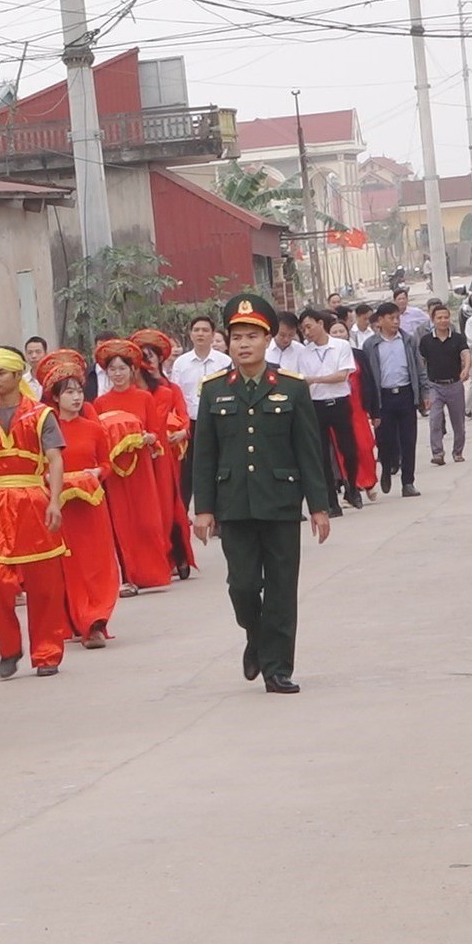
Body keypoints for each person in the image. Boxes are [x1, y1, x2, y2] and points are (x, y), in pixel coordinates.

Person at [192, 293, 331, 695]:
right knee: (244, 586)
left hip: (281, 503)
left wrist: (318, 506)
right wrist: (204, 509)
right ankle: (255, 634)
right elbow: (205, 455)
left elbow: (309, 452)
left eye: (252, 336)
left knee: (283, 589)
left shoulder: (291, 388)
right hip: (234, 503)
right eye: (236, 337)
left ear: (268, 339)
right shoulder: (214, 389)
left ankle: (277, 668)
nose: (243, 344)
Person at [0, 346, 71, 678]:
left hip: (32, 498)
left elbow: (55, 458)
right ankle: (9, 644)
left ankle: (47, 652)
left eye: (0, 373)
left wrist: (54, 500)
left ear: (16, 376)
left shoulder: (41, 414)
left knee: (44, 584)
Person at [41, 351, 121, 649]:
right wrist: (50, 480)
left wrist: (97, 471)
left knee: (98, 563)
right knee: (69, 566)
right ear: (55, 397)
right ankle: (80, 619)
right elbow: (39, 467)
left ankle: (97, 619)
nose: (76, 398)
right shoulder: (46, 431)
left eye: (78, 391)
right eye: (69, 392)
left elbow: (108, 464)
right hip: (61, 508)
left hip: (91, 506)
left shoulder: (93, 428)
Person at [92, 340, 175, 592]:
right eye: (113, 370)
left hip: (141, 468)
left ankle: (152, 573)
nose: (118, 374)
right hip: (115, 472)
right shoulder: (100, 403)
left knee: (147, 520)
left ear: (132, 371)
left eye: (122, 369)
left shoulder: (144, 398)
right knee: (121, 522)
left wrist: (149, 438)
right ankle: (128, 576)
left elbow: (155, 432)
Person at [132, 329, 196, 577]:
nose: (146, 362)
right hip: (138, 459)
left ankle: (177, 554)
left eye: (149, 356)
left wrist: (181, 433)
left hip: (165, 456)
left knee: (169, 506)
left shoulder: (168, 390)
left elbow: (183, 418)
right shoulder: (128, 392)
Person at [295, 309, 363, 515]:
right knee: (322, 455)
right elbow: (301, 380)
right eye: (303, 329)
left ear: (320, 323)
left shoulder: (341, 346)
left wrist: (315, 379)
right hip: (316, 405)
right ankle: (331, 501)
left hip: (340, 403)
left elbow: (342, 375)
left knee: (349, 450)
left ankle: (351, 486)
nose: (306, 332)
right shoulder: (303, 352)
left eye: (309, 326)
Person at [359, 302, 428, 497]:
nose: (396, 321)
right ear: (380, 321)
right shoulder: (370, 345)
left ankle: (408, 482)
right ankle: (388, 468)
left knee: (408, 440)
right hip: (383, 398)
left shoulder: (408, 340)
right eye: (391, 318)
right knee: (385, 440)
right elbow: (368, 376)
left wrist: (424, 393)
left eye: (397, 317)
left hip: (406, 395)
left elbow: (418, 367)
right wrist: (370, 404)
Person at [169, 316, 233, 509]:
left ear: (213, 334)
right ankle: (183, 514)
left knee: (219, 466)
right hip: (190, 423)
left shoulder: (225, 361)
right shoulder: (181, 363)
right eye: (196, 330)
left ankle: (221, 513)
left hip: (218, 421)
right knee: (188, 471)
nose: (200, 334)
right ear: (190, 334)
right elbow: (176, 395)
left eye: (205, 330)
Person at [328, 320, 380, 501]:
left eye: (341, 331)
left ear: (347, 334)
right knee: (345, 449)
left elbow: (370, 381)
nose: (338, 334)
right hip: (339, 407)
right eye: (334, 332)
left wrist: (374, 411)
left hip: (358, 408)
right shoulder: (327, 358)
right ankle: (353, 486)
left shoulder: (358, 355)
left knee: (364, 447)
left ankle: (370, 481)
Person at [419, 302, 471, 465]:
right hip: (435, 386)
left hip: (454, 385)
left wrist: (466, 368)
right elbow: (421, 362)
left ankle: (457, 452)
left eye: (446, 317)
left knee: (458, 422)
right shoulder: (426, 340)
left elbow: (466, 353)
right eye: (439, 317)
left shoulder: (457, 338)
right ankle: (437, 453)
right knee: (435, 420)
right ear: (432, 319)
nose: (443, 320)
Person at [23, 335, 49, 400]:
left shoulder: (53, 379)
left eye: (38, 352)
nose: (34, 356)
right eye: (30, 353)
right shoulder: (22, 381)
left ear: (46, 354)